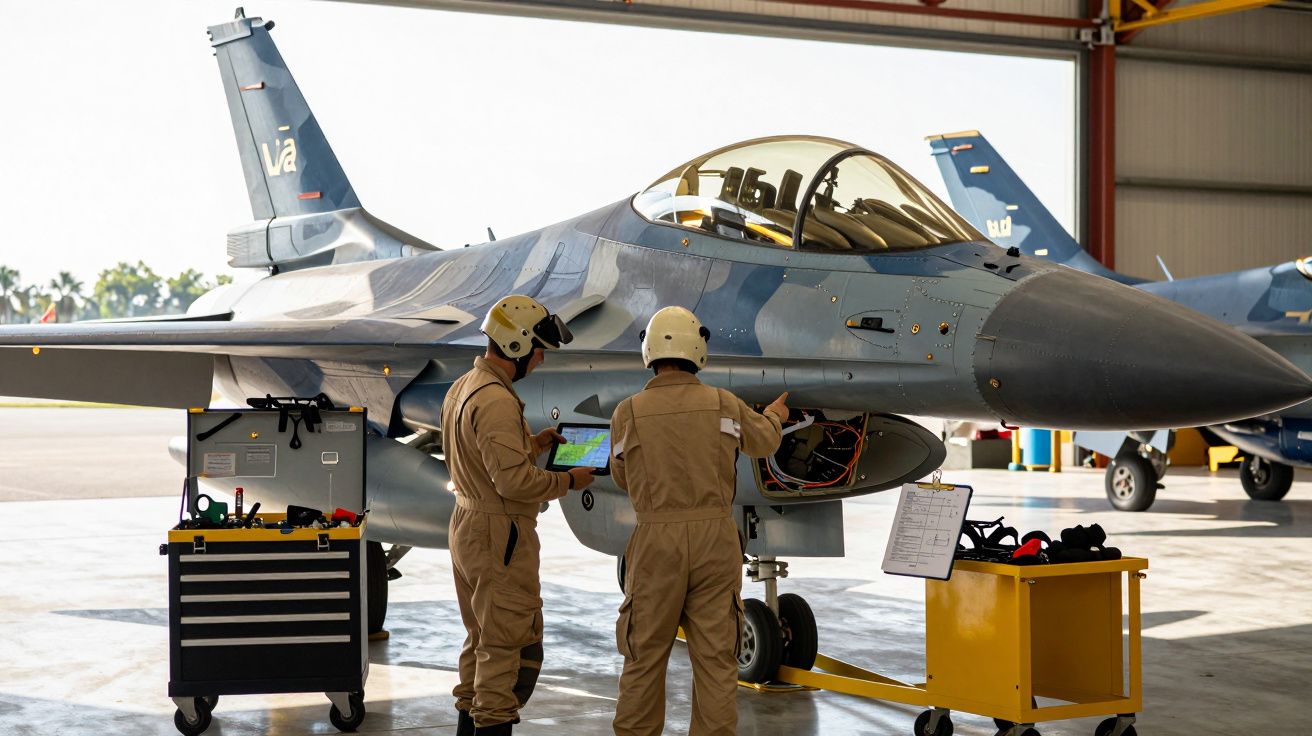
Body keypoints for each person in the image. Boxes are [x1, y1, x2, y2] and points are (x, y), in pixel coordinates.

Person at [609, 306, 788, 736]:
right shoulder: (723, 402)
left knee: (644, 658)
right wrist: (777, 416)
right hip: (715, 541)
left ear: (649, 351)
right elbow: (763, 443)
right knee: (715, 664)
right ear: (698, 350)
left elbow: (620, 475)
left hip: (654, 543)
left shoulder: (627, 412)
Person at [442, 294, 598, 736]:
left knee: (480, 642)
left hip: (469, 526)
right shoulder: (495, 399)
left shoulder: (464, 387)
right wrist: (570, 481)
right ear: (518, 346)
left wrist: (535, 444)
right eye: (540, 348)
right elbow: (513, 483)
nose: (542, 357)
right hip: (499, 535)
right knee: (504, 650)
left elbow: (480, 457)